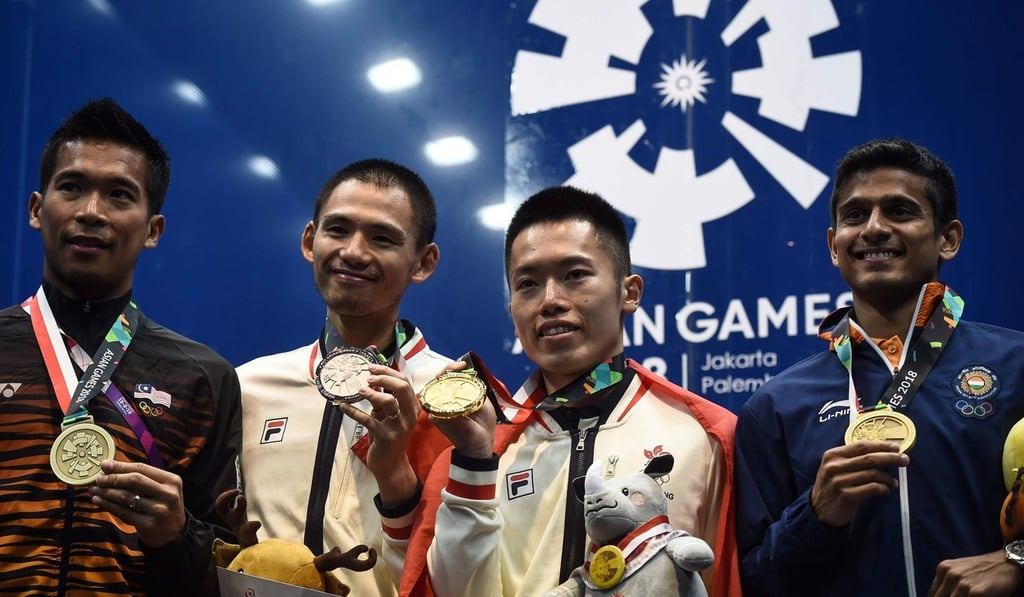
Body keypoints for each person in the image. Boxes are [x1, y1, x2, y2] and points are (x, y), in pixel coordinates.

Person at [402, 185, 740, 597]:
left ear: (629, 292)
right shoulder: (481, 448)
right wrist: (474, 462)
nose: (550, 300)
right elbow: (451, 592)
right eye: (527, 284)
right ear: (512, 313)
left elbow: (722, 583)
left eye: (575, 275)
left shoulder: (704, 434)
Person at [734, 138, 1024, 596]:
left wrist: (1018, 561)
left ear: (947, 238)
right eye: (854, 215)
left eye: (900, 211)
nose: (873, 228)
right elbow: (754, 580)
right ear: (834, 245)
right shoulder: (775, 407)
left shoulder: (1015, 365)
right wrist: (816, 514)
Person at [0, 97, 241, 595]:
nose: (91, 211)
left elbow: (223, 569)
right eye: (72, 187)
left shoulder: (203, 377)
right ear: (36, 210)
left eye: (119, 195)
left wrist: (175, 536)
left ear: (153, 230)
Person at [235, 158, 453, 595]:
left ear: (423, 262)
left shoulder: (449, 397)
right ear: (310, 241)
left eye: (383, 238)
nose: (354, 251)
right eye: (338, 230)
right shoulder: (249, 385)